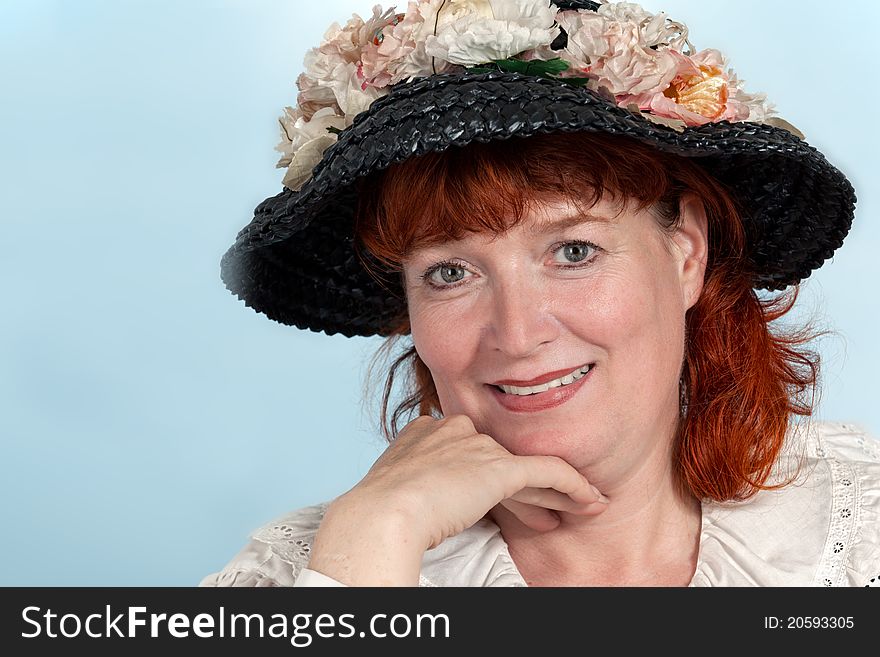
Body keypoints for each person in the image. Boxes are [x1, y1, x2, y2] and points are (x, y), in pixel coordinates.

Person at [200, 0, 880, 587]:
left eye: (573, 251)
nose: (518, 333)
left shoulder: (860, 527)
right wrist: (376, 539)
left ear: (686, 254)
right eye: (450, 272)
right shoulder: (316, 567)